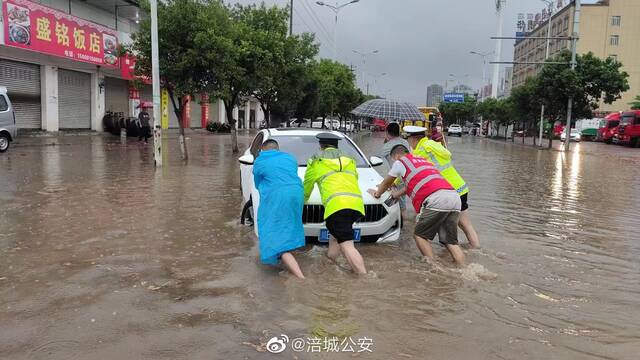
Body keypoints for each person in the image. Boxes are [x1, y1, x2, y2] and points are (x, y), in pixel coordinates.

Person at [369, 144, 465, 266]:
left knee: (419, 235)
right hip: (454, 197)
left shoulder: (400, 162)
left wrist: (377, 193)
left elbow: (387, 182)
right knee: (451, 242)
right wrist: (395, 195)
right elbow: (411, 186)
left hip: (435, 199)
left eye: (393, 159)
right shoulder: (423, 162)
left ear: (397, 156)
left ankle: (434, 267)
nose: (393, 162)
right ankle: (463, 268)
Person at [405, 126, 480, 248]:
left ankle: (448, 253)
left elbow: (409, 171)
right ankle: (477, 249)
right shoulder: (435, 145)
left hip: (446, 191)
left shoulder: (420, 152)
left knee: (445, 228)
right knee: (465, 224)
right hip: (460, 186)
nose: (409, 143)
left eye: (409, 139)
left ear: (414, 139)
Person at [303, 133, 367, 274]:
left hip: (336, 207)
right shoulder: (349, 160)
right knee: (335, 237)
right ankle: (332, 263)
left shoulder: (316, 161)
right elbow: (354, 178)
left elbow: (306, 189)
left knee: (347, 245)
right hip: (356, 205)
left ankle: (364, 277)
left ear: (321, 146)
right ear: (337, 146)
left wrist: (300, 205)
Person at [252, 139, 306, 279]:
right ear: (277, 148)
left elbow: (258, 184)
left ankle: (300, 277)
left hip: (278, 196)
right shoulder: (290, 158)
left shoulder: (260, 161)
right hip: (297, 194)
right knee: (287, 226)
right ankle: (286, 260)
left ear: (263, 150)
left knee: (273, 231)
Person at [378, 122, 412, 214]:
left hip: (393, 178)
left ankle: (398, 223)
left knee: (393, 203)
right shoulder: (405, 142)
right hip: (406, 176)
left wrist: (386, 143)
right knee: (401, 201)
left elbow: (379, 161)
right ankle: (402, 224)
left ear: (387, 133)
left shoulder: (386, 146)